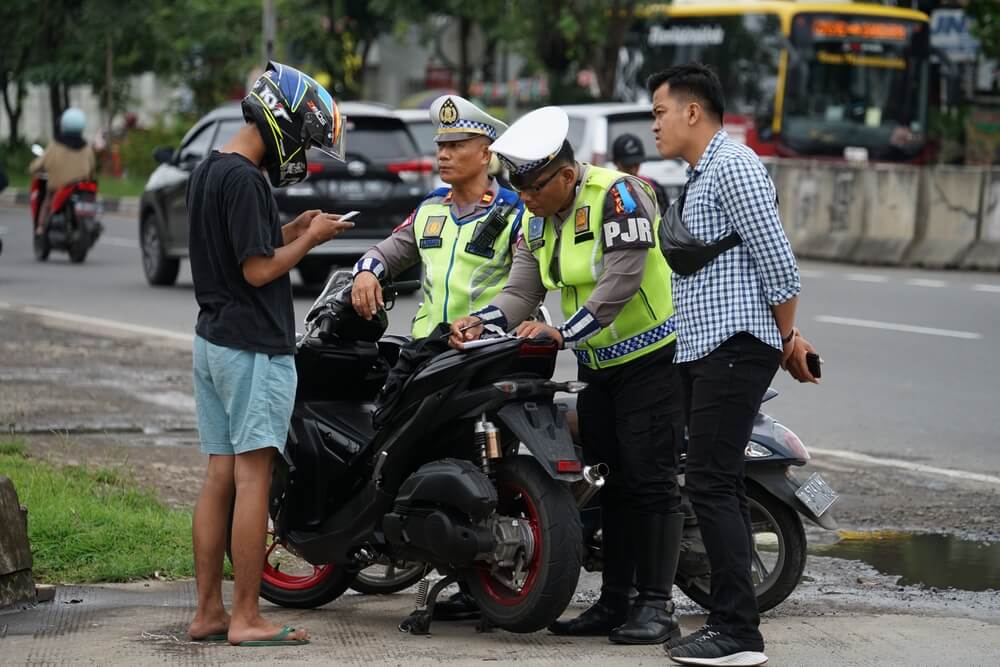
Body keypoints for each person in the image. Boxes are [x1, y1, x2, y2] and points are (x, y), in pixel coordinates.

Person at [449, 106, 686, 645]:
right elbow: (521, 292)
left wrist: (563, 332)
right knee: (609, 481)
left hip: (651, 362)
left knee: (650, 483)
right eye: (520, 188)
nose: (526, 199)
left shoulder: (620, 195)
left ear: (563, 174)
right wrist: (480, 321)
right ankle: (615, 603)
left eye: (534, 187)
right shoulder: (535, 218)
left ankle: (657, 604)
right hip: (597, 366)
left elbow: (622, 278)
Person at [646, 64, 819, 667]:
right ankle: (727, 624)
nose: (655, 125)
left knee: (714, 482)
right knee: (706, 479)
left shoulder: (736, 167)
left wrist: (787, 337)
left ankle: (737, 631)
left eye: (659, 112)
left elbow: (780, 266)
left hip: (734, 346)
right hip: (705, 346)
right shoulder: (703, 173)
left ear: (693, 111)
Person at [186, 61, 354, 647]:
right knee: (254, 478)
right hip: (253, 348)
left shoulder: (213, 170)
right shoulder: (248, 179)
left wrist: (293, 227)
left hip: (212, 342)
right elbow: (258, 271)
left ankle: (209, 611)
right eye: (305, 138)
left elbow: (247, 248)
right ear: (281, 121)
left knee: (219, 476)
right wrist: (310, 240)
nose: (303, 151)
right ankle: (247, 617)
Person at [351, 95, 523, 337]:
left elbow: (525, 291)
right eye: (441, 145)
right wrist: (366, 272)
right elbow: (385, 253)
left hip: (486, 350)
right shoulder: (431, 207)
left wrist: (481, 323)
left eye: (455, 146)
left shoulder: (515, 211)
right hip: (428, 351)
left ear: (485, 155)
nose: (443, 154)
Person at [29, 108, 97, 236]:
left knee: (47, 201)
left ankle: (40, 227)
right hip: (81, 186)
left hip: (59, 186)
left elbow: (41, 163)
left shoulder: (55, 145)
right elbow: (92, 166)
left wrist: (32, 168)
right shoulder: (86, 147)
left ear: (63, 124)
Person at [611, 132, 670, 213]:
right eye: (628, 165)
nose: (633, 170)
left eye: (636, 164)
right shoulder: (608, 189)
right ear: (615, 162)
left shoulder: (652, 186)